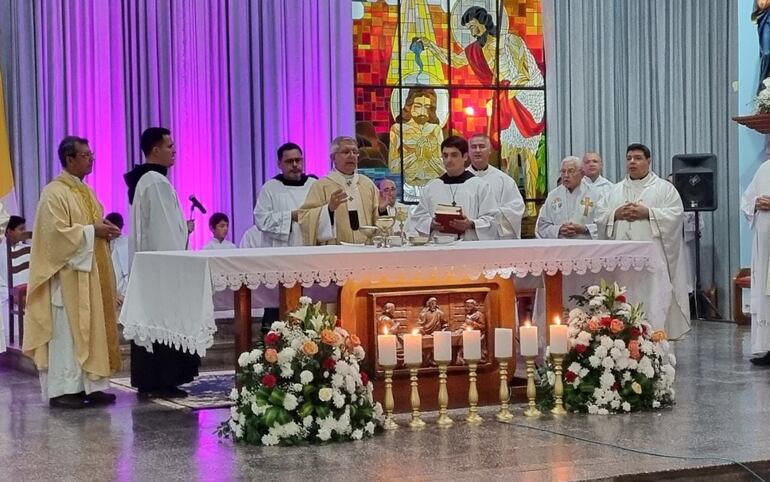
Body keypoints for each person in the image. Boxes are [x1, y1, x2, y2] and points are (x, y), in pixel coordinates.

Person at [24, 136, 122, 408]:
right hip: (67, 278)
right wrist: (93, 231)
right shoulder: (53, 193)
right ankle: (64, 389)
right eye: (86, 154)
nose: (91, 159)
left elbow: (89, 223)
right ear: (69, 159)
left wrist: (104, 230)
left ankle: (92, 384)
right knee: (68, 332)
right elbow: (54, 236)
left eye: (92, 154)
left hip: (90, 274)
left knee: (93, 328)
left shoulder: (85, 191)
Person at [420, 6, 545, 215]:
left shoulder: (509, 41)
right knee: (508, 153)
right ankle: (509, 207)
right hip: (505, 96)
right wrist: (430, 46)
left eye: (473, 26)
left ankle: (531, 206)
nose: (472, 31)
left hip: (525, 96)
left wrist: (512, 90)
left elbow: (525, 72)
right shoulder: (475, 50)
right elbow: (455, 60)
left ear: (484, 21)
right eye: (468, 28)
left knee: (526, 152)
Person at [123, 127, 199, 398]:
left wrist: (181, 227)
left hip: (149, 265)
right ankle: (163, 379)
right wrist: (179, 257)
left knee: (152, 321)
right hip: (162, 266)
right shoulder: (156, 181)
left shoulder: (145, 180)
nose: (174, 151)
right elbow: (164, 231)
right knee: (164, 321)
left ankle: (151, 379)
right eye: (169, 146)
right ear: (155, 150)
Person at [595, 143, 690, 339]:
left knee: (651, 297)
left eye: (638, 158)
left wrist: (649, 213)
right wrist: (616, 214)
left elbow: (675, 215)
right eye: (629, 158)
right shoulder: (614, 191)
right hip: (621, 262)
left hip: (652, 261)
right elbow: (599, 217)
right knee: (624, 296)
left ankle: (654, 335)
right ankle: (622, 335)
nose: (632, 162)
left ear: (649, 161)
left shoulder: (664, 189)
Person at [298, 136, 386, 245]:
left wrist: (382, 210)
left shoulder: (367, 184)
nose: (351, 155)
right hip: (335, 251)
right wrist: (329, 210)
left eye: (355, 152)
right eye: (345, 152)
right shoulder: (321, 186)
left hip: (365, 249)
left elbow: (379, 220)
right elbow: (305, 218)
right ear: (333, 158)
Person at [409, 136, 497, 240]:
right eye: (445, 156)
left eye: (454, 155)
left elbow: (492, 219)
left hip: (468, 248)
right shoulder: (432, 187)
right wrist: (430, 224)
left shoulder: (480, 186)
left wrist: (471, 224)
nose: (448, 160)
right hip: (438, 248)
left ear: (465, 157)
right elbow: (417, 218)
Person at [255, 142, 317, 247]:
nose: (294, 165)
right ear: (279, 164)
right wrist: (291, 216)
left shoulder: (314, 185)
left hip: (309, 247)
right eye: (289, 161)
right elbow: (262, 221)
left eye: (298, 160)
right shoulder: (270, 188)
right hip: (281, 250)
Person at [388, 88, 445, 201]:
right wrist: (415, 155)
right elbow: (393, 167)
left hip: (434, 188)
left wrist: (429, 158)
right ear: (409, 106)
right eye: (418, 106)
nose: (423, 112)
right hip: (409, 189)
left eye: (427, 107)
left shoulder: (436, 130)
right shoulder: (397, 129)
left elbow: (443, 169)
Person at [741, 159, 770, 365]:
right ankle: (767, 346)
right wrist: (755, 203)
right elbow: (746, 200)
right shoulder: (765, 168)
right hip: (764, 247)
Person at [467, 134, 525, 239]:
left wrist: (491, 217)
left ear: (489, 150)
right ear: (468, 152)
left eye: (482, 146)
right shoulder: (461, 180)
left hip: (494, 239)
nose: (477, 150)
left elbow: (516, 208)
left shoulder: (504, 180)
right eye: (473, 147)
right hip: (468, 237)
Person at [536, 156, 599, 240]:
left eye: (571, 171)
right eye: (563, 171)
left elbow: (603, 224)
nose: (566, 175)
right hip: (560, 247)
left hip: (585, 247)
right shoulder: (553, 196)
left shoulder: (595, 195)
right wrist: (559, 229)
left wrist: (584, 229)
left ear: (582, 174)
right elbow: (542, 226)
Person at [0, 215, 29, 353]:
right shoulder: (1, 252)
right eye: (20, 229)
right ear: (8, 231)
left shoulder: (28, 249)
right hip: (8, 294)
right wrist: (13, 295)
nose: (24, 232)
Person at [105, 212, 129, 306]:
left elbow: (128, 273)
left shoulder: (126, 244)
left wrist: (122, 295)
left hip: (123, 299)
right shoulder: (101, 244)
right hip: (110, 296)